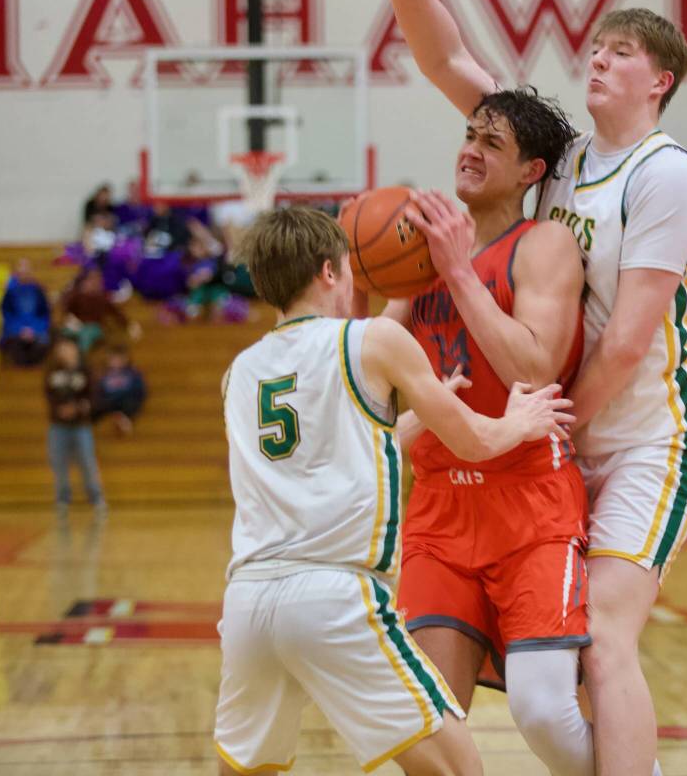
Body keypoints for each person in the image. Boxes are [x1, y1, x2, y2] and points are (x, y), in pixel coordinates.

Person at [344, 0, 687, 773]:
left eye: (621, 52)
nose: (598, 60)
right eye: (594, 47)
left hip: (644, 435)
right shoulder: (562, 164)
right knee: (550, 678)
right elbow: (449, 63)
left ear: (659, 80)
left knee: (605, 640)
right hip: (557, 428)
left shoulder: (664, 173)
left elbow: (624, 341)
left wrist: (555, 426)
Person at [215, 207, 573, 776]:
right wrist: (522, 422)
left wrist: (422, 416)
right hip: (335, 596)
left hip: (248, 605)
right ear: (330, 273)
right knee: (457, 768)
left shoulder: (240, 371)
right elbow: (477, 441)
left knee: (246, 770)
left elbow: (340, 444)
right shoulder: (373, 339)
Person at [357, 88, 596, 776]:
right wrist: (359, 279)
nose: (470, 150)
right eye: (468, 135)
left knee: (545, 712)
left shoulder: (544, 245)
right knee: (426, 720)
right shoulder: (419, 257)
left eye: (492, 143)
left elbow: (535, 366)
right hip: (439, 507)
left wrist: (459, 272)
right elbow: (365, 356)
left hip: (529, 505)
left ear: (530, 171)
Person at [44, 335, 106, 514]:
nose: (64, 351)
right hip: (58, 425)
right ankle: (63, 498)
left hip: (80, 425)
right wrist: (60, 410)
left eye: (67, 347)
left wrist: (78, 408)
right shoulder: (52, 372)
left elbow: (93, 396)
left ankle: (96, 497)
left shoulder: (85, 371)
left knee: (87, 461)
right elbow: (49, 395)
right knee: (58, 462)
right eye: (61, 348)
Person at [0, 258, 51, 366]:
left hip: (36, 329)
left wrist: (33, 329)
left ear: (31, 272)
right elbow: (6, 314)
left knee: (42, 343)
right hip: (15, 330)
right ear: (16, 274)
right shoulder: (10, 292)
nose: (23, 274)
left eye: (26, 271)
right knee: (13, 345)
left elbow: (45, 314)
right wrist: (20, 330)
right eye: (21, 272)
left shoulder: (38, 291)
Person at [91, 346, 147, 435]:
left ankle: (125, 420)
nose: (115, 361)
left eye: (118, 359)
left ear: (125, 359)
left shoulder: (132, 373)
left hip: (125, 400)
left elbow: (140, 390)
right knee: (96, 407)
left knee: (130, 403)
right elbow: (100, 390)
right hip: (109, 401)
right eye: (112, 358)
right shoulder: (104, 374)